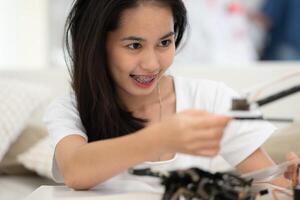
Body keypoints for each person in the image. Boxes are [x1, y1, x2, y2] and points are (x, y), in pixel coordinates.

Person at [44, 0, 294, 192]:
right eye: (134, 45)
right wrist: (162, 138)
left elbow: (271, 184)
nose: (152, 64)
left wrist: (290, 183)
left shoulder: (214, 97)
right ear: (97, 45)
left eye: (164, 42)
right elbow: (75, 170)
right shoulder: (70, 108)